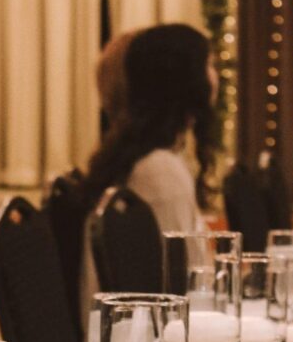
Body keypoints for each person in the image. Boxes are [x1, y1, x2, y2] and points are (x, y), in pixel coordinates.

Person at [80, 23, 218, 324]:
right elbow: (189, 288)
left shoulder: (148, 160)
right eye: (209, 64)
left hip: (132, 332)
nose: (215, 76)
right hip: (143, 340)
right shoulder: (160, 171)